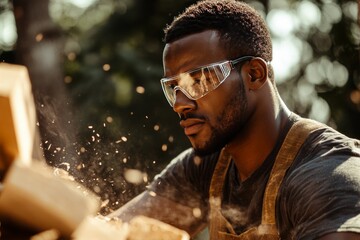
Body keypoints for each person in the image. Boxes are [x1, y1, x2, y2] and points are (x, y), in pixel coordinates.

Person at [108, 0, 360, 239]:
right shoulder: (206, 170)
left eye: (199, 80)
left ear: (254, 74)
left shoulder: (327, 179)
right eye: (173, 88)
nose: (180, 104)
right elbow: (112, 233)